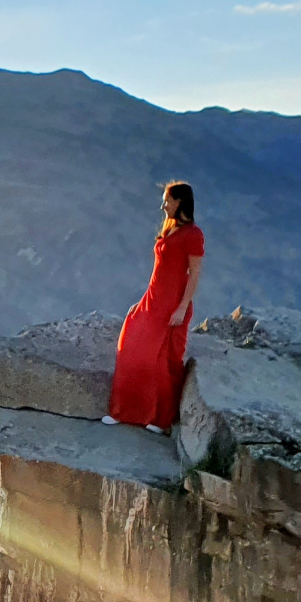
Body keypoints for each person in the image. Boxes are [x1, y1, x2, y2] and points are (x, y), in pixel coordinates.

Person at [103, 181, 204, 433]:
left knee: (164, 360)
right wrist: (142, 301)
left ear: (179, 202)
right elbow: (160, 273)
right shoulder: (170, 229)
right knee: (130, 346)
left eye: (167, 201)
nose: (163, 206)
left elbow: (194, 274)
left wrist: (182, 308)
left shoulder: (193, 234)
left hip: (172, 304)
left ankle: (159, 419)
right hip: (154, 299)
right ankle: (124, 411)